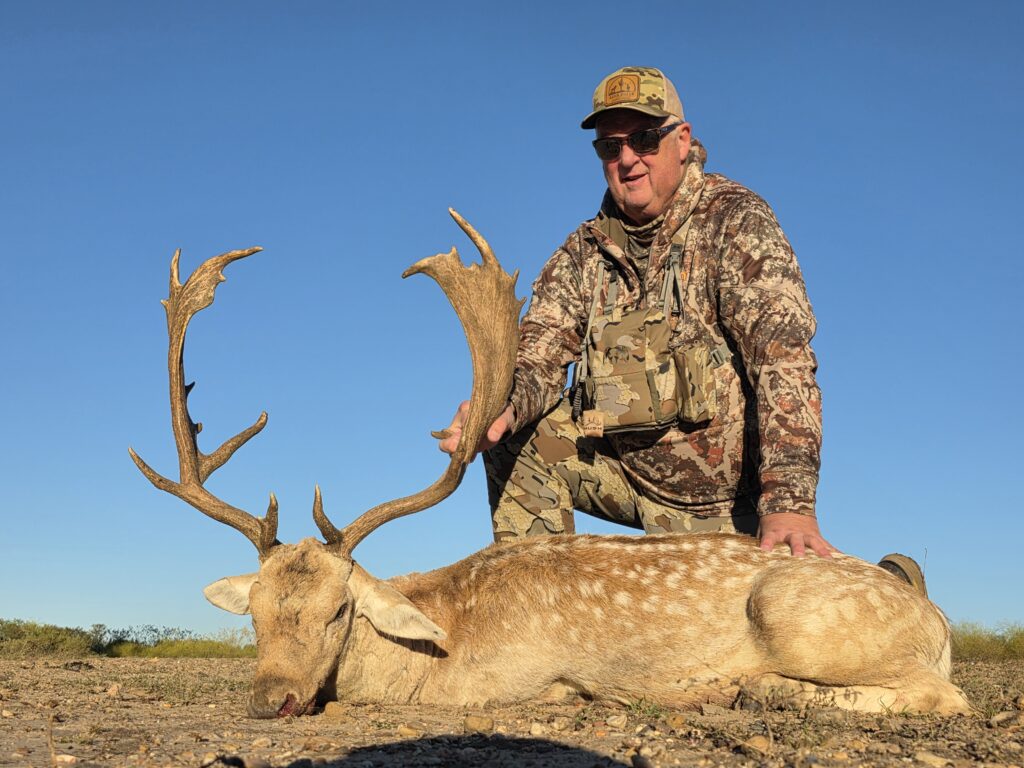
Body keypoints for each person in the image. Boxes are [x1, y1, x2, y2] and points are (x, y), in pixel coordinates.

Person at [440, 66, 924, 586]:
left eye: (644, 139)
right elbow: (537, 358)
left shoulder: (736, 220)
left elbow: (783, 359)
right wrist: (501, 407)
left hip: (731, 507)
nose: (627, 160)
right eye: (610, 147)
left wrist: (789, 504)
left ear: (682, 140)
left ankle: (892, 586)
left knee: (791, 637)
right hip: (628, 483)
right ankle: (544, 619)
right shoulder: (580, 255)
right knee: (517, 438)